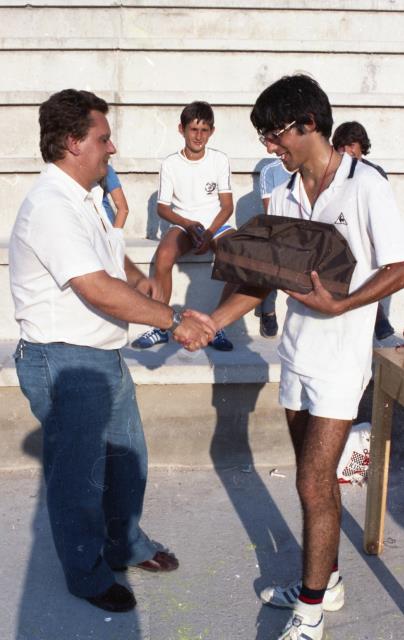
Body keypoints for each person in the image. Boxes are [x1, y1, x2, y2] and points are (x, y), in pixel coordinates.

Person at [187, 75, 404, 639]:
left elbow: (399, 265)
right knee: (316, 484)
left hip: (340, 361)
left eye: (274, 133)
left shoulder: (366, 186)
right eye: (264, 135)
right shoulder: (280, 192)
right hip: (296, 356)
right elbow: (260, 281)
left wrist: (345, 304)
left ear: (308, 124)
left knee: (313, 482)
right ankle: (324, 581)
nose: (268, 146)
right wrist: (212, 321)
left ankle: (310, 613)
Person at [9, 89, 215, 613]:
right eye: (103, 138)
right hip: (65, 361)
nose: (113, 148)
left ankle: (124, 545)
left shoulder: (86, 197)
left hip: (100, 357)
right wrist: (173, 320)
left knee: (128, 463)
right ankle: (86, 573)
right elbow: (95, 287)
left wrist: (143, 284)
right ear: (74, 142)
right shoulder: (51, 205)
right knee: (80, 479)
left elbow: (111, 264)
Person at [132, 100, 235, 351]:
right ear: (182, 129)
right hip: (184, 223)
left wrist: (209, 232)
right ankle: (160, 325)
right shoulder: (170, 163)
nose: (198, 136)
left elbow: (227, 206)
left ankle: (216, 327)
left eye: (204, 130)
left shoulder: (219, 159)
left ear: (212, 131)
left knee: (237, 257)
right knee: (164, 256)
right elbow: (163, 208)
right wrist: (189, 224)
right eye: (193, 129)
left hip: (216, 225)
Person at [332, 120, 394, 340]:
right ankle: (379, 319)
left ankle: (378, 317)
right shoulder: (334, 172)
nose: (347, 151)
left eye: (352, 145)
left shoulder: (373, 174)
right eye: (342, 146)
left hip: (365, 243)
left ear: (361, 147)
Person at [257, 158, 291, 337]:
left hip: (306, 229)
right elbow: (271, 213)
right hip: (277, 228)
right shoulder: (270, 170)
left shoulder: (309, 167)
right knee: (272, 250)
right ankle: (268, 310)